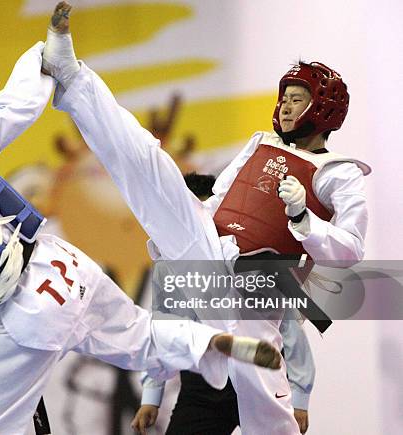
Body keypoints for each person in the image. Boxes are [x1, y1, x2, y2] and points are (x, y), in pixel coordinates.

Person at [0, 33, 282, 435]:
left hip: (26, 312)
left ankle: (209, 341)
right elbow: (13, 108)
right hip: (64, 266)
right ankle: (210, 341)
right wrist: (39, 60)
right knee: (141, 335)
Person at [41, 2, 369, 434]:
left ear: (323, 109)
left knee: (269, 417)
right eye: (284, 99)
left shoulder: (339, 172)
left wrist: (304, 219)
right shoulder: (260, 143)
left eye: (297, 100)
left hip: (258, 289)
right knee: (149, 163)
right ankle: (72, 76)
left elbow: (349, 253)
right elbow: (218, 200)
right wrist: (172, 237)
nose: (286, 108)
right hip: (210, 252)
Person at [132, 174, 315, 435]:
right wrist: (152, 394)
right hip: (202, 386)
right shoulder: (166, 266)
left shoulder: (249, 258)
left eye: (204, 222)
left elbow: (289, 328)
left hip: (260, 376)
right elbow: (163, 327)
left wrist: (299, 397)